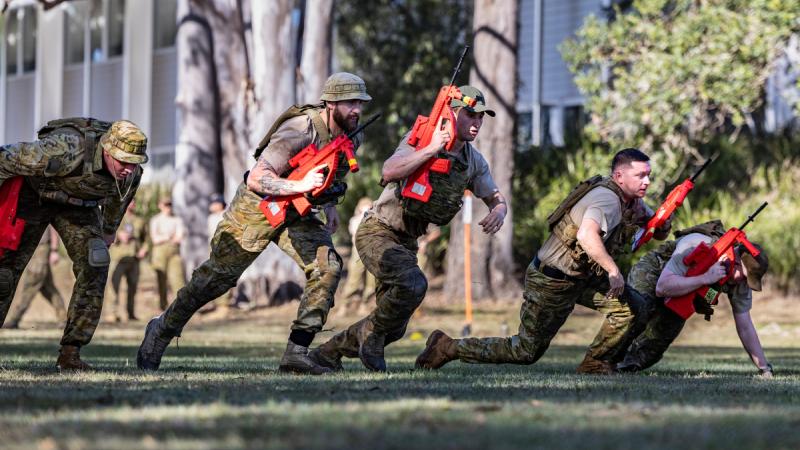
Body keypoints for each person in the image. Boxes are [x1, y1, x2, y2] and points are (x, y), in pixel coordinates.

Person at [137, 72, 373, 375]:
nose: (357, 109)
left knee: (328, 267)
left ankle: (297, 352)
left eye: (360, 103)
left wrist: (329, 207)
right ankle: (161, 330)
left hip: (297, 212)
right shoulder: (300, 129)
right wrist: (298, 187)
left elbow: (330, 172)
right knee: (215, 279)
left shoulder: (354, 133)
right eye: (349, 102)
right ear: (330, 103)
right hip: (258, 206)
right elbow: (259, 177)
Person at [416, 148, 668, 374]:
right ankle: (447, 347)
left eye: (649, 175)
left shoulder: (629, 199)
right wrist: (613, 270)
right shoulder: (607, 199)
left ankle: (596, 363)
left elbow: (651, 221)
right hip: (552, 280)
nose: (646, 181)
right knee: (525, 351)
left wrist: (660, 222)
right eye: (640, 176)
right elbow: (586, 234)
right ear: (619, 176)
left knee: (634, 306)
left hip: (581, 278)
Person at [310, 85, 508, 372]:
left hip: (406, 243)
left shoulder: (473, 161)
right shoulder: (421, 139)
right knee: (414, 284)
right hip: (377, 231)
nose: (476, 123)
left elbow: (494, 196)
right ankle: (370, 339)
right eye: (470, 115)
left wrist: (499, 209)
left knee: (394, 328)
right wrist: (431, 150)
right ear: (452, 115)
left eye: (481, 118)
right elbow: (388, 171)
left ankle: (326, 353)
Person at [0, 117, 147, 369]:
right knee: (5, 270)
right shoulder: (65, 149)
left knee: (96, 262)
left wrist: (109, 229)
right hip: (33, 197)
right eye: (123, 161)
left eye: (134, 163)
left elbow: (119, 199)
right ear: (107, 150)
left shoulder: (130, 173)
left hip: (78, 206)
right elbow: (4, 157)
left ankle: (70, 354)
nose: (129, 169)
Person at [613, 220, 772, 377]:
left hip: (685, 293)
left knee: (651, 349)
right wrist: (705, 278)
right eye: (744, 276)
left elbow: (745, 326)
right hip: (655, 273)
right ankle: (601, 361)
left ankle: (621, 368)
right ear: (736, 261)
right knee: (638, 312)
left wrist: (764, 368)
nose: (743, 282)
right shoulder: (696, 244)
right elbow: (662, 287)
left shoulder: (739, 279)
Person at [3, 227, 67, 329]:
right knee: (47, 288)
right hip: (33, 248)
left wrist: (54, 250)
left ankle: (15, 318)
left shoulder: (44, 210)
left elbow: (54, 227)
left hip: (41, 248)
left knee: (31, 283)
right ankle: (64, 319)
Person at [106, 200, 148, 322]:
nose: (132, 204)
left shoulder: (140, 220)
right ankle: (112, 314)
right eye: (130, 202)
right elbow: (106, 231)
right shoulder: (115, 218)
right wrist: (118, 235)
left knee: (133, 287)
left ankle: (131, 313)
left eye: (134, 202)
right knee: (114, 286)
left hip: (134, 258)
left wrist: (144, 250)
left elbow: (146, 239)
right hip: (118, 258)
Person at [337, 197, 376, 316]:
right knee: (353, 280)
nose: (367, 209)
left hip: (372, 252)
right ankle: (344, 305)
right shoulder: (355, 220)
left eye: (369, 206)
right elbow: (355, 234)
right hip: (358, 252)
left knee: (371, 282)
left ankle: (364, 305)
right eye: (364, 206)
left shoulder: (376, 220)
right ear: (359, 208)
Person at [149, 197, 186, 311]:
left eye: (169, 204)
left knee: (177, 279)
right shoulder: (155, 220)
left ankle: (180, 307)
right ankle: (162, 306)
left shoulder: (177, 220)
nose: (167, 207)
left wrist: (164, 236)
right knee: (161, 279)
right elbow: (155, 239)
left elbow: (179, 238)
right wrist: (169, 236)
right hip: (159, 252)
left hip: (174, 251)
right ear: (160, 205)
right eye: (165, 205)